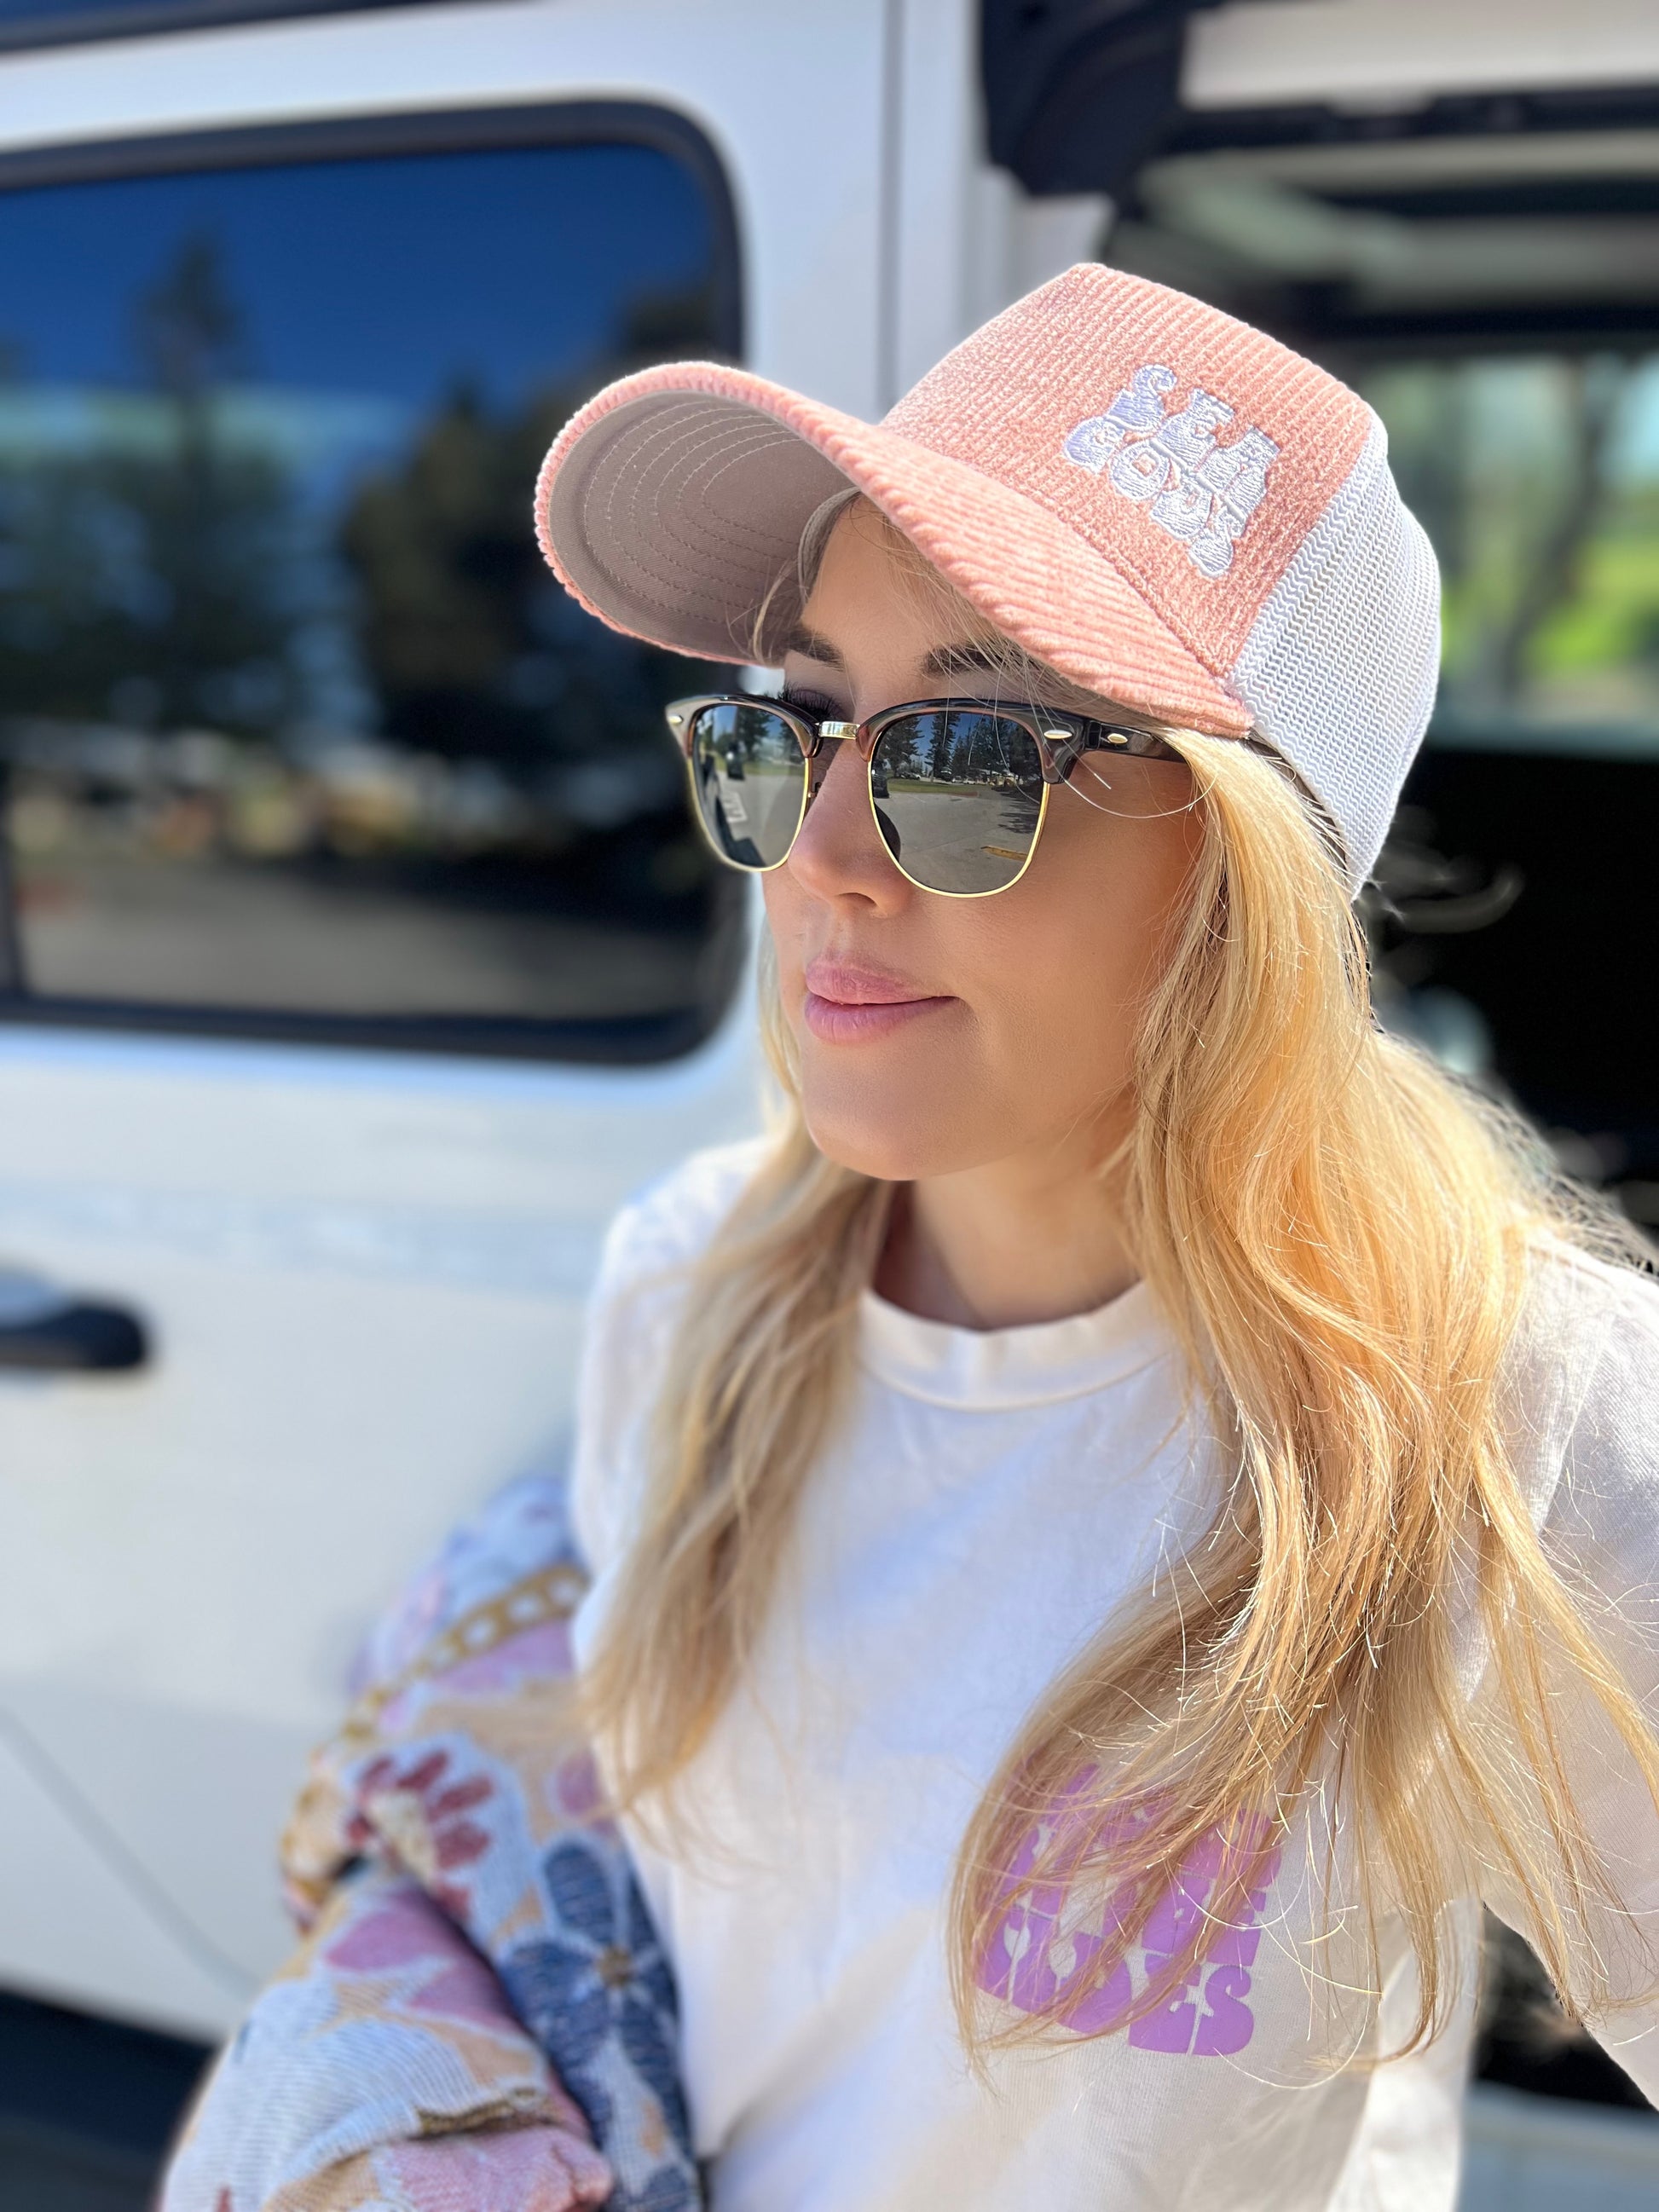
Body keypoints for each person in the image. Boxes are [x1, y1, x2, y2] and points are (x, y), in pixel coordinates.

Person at [167, 263, 1659, 2212]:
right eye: (788, 730)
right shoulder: (695, 1284)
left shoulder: (1510, 1414)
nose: (822, 853)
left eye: (968, 757)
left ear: (1254, 861)